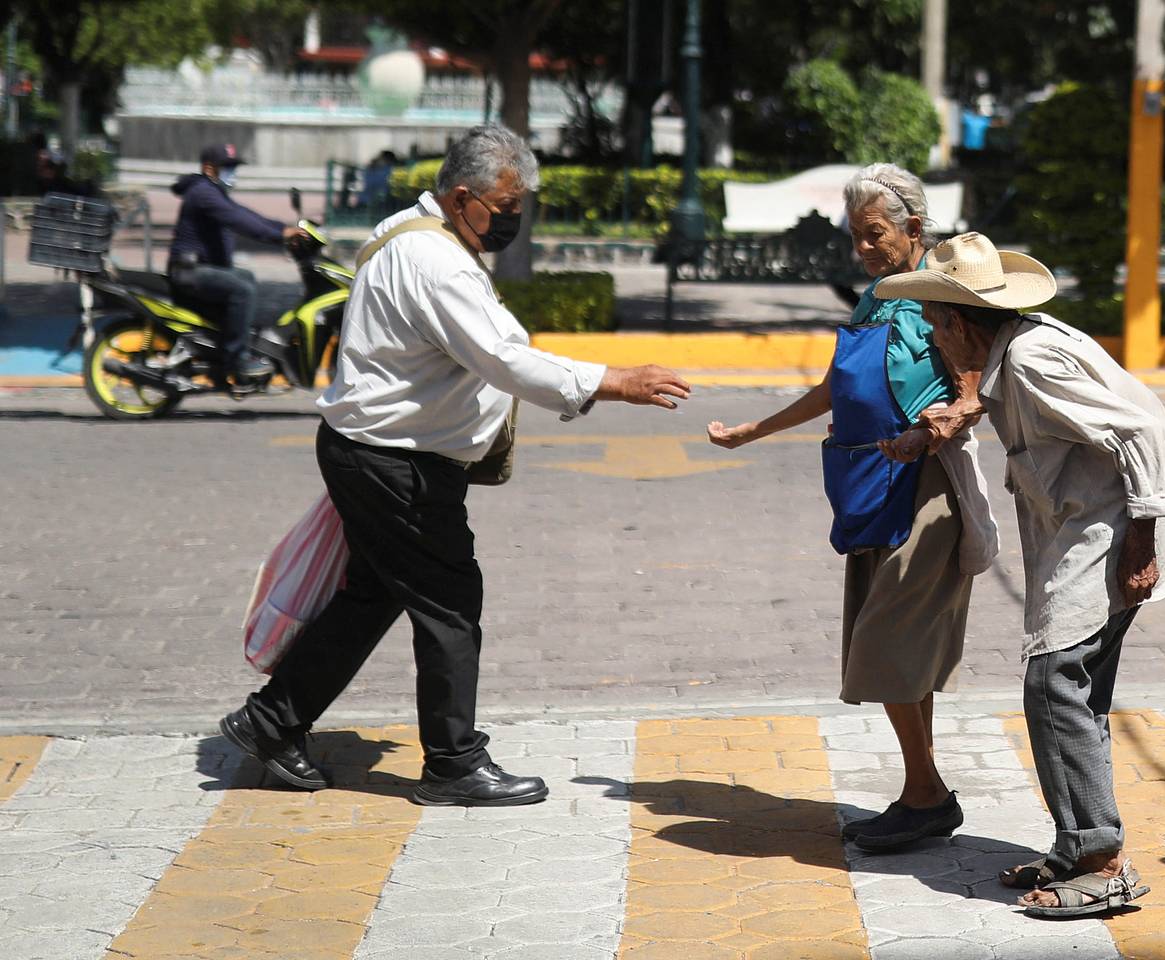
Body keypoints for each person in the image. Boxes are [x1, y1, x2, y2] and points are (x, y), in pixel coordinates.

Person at [219, 124, 691, 807]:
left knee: (375, 593)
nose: (512, 221)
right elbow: (503, 357)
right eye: (504, 209)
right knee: (449, 605)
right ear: (463, 195)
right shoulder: (433, 261)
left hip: (377, 453)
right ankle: (453, 763)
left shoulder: (413, 232)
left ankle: (270, 721)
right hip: (393, 464)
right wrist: (617, 380)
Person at [876, 231, 1165, 917]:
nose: (936, 342)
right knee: (1074, 693)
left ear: (962, 324)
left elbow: (1137, 435)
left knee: (1054, 683)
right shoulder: (1019, 349)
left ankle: (1100, 862)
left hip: (1115, 529)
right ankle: (1080, 845)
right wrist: (951, 417)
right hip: (1096, 527)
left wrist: (1142, 539)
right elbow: (1014, 399)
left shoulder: (1029, 360)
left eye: (937, 328)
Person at [708, 164, 998, 851]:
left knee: (887, 639)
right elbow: (836, 386)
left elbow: (973, 388)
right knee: (892, 644)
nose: (863, 249)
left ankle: (926, 793)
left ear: (914, 230)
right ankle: (922, 792)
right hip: (871, 489)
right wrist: (756, 430)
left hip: (924, 490)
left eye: (875, 235)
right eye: (856, 237)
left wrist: (931, 430)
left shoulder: (944, 295)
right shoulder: (877, 296)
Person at [168, 144, 307, 381]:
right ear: (209, 168)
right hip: (189, 271)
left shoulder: (212, 191)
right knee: (242, 290)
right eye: (227, 167)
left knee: (247, 278)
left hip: (198, 268)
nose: (231, 172)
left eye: (233, 167)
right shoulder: (203, 193)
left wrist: (282, 229)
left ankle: (228, 344)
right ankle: (237, 360)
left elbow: (246, 213)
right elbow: (238, 220)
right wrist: (279, 236)